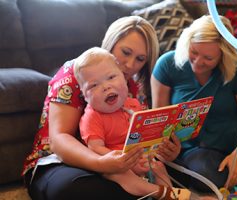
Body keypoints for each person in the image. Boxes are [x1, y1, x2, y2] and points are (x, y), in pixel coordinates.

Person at [22, 16, 161, 200]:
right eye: (126, 52)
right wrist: (102, 163)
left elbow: (138, 139)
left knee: (154, 177)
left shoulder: (134, 86)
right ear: (110, 44)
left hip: (117, 166)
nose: (130, 64)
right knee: (74, 190)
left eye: (140, 59)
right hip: (57, 162)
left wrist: (161, 151)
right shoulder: (73, 73)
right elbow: (59, 140)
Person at [151, 15, 237, 192]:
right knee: (207, 178)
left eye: (208, 58)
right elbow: (159, 121)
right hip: (196, 149)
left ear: (223, 55)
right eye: (194, 52)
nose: (198, 62)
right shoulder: (167, 65)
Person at [74, 47, 191, 199]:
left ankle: (171, 194)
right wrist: (123, 160)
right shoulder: (92, 117)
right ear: (84, 96)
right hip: (114, 163)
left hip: (141, 156)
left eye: (111, 77)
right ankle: (157, 192)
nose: (105, 86)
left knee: (159, 167)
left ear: (124, 78)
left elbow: (147, 134)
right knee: (123, 174)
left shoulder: (134, 105)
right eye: (93, 85)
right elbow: (96, 148)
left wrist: (154, 151)